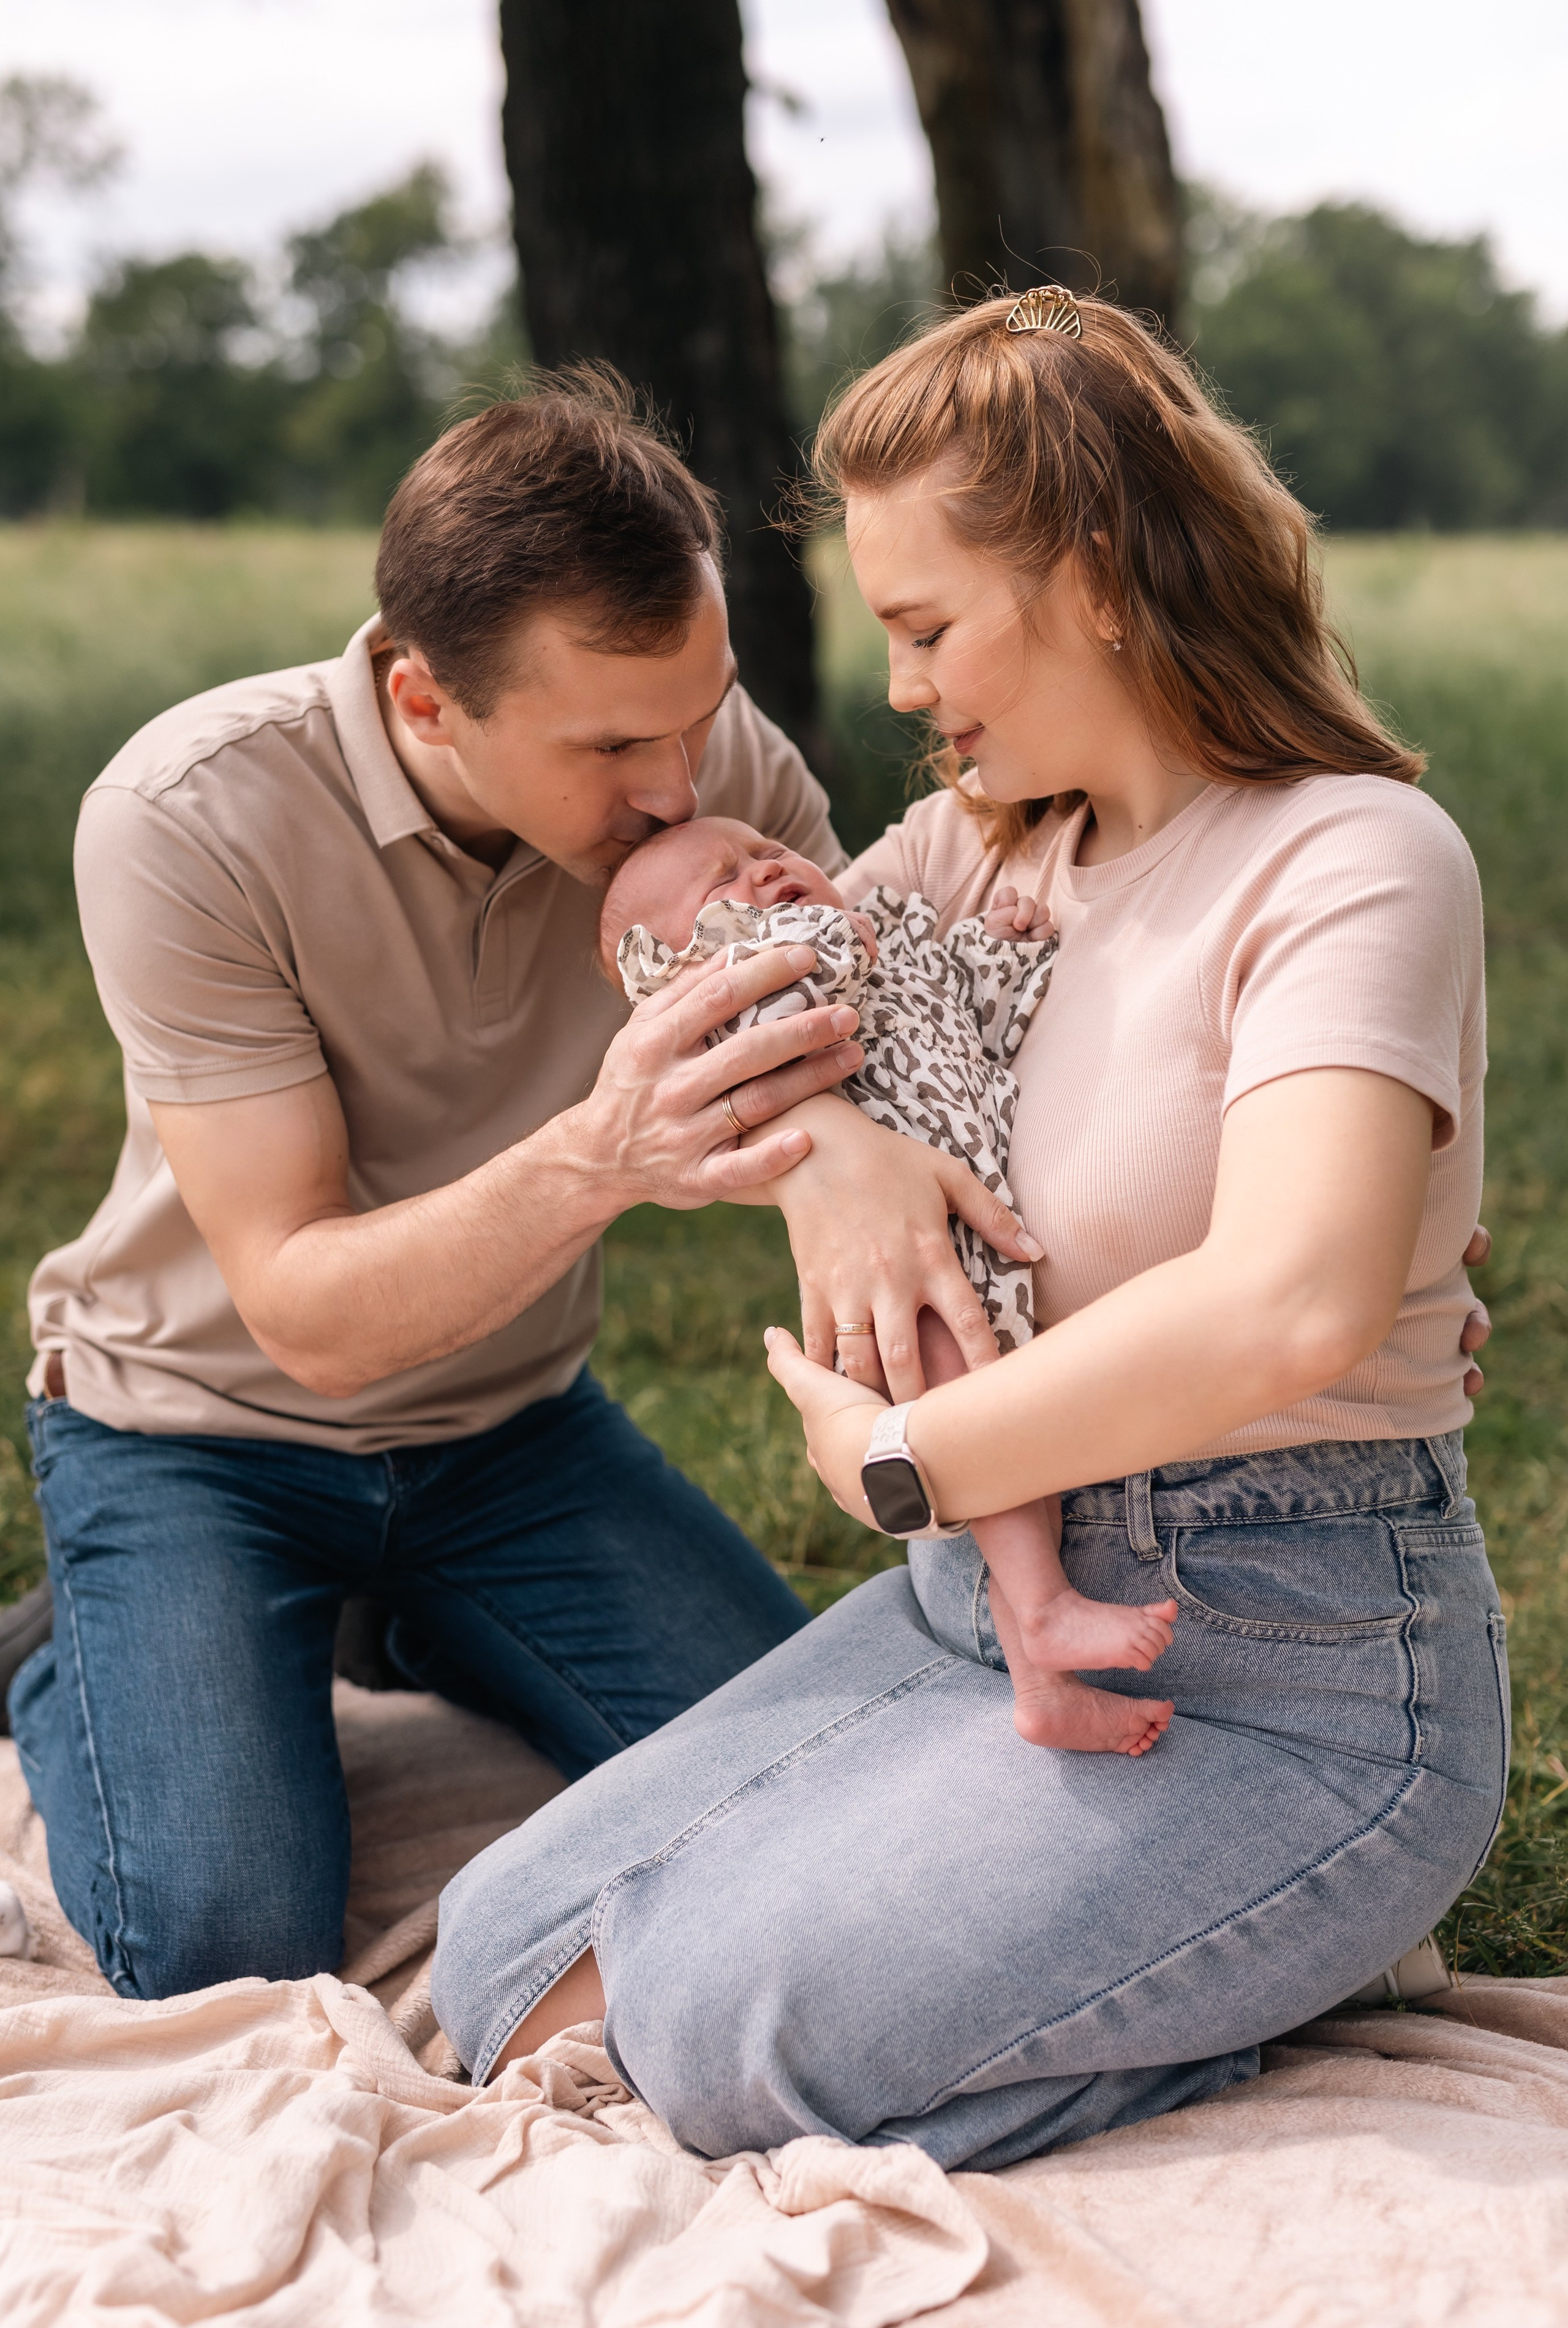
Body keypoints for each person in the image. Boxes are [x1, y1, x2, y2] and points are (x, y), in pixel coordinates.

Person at [432, 290, 1507, 2174]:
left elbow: (1293, 1300)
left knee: (703, 2033)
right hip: (967, 1616)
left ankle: (1283, 1942)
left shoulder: (1351, 859)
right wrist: (838, 1144)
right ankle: (1200, 1953)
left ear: (1095, 575)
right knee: (497, 1954)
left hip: (1296, 1658)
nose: (906, 694)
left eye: (926, 628)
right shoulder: (981, 850)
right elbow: (745, 992)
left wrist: (908, 1459)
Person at [6, 373, 1039, 2002]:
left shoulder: (715, 768)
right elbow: (303, 1311)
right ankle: (79, 1647)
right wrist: (600, 1155)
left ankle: (413, 1621)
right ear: (425, 701)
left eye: (700, 715)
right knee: (224, 1944)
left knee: (830, 1801)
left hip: (509, 1431)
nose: (678, 788)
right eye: (615, 744)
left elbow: (875, 1050)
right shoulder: (188, 817)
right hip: (202, 1434)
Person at [603, 814, 1180, 1752]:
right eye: (725, 887)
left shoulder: (893, 937)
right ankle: (1040, 1607)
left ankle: (1044, 1681)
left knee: (1012, 1431)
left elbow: (979, 1021)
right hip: (912, 1260)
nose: (766, 872)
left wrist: (1003, 948)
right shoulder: (751, 987)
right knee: (988, 1419)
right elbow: (754, 1034)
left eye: (766, 853)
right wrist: (809, 940)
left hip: (970, 1228)